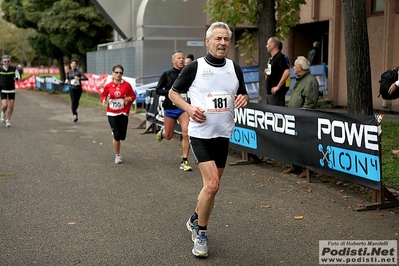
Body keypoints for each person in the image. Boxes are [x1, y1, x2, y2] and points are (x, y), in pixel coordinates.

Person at [169, 21, 249, 258]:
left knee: (211, 189)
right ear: (208, 41)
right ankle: (200, 233)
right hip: (200, 134)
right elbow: (173, 93)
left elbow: (242, 93)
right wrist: (189, 108)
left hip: (223, 135)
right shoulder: (194, 67)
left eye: (226, 39)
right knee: (212, 184)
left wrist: (244, 98)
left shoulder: (235, 68)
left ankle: (195, 218)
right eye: (218, 38)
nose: (222, 42)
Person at [155, 51, 192, 171]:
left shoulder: (188, 72)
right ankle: (163, 133)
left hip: (183, 108)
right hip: (170, 108)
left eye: (183, 58)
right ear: (173, 61)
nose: (181, 60)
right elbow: (158, 90)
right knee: (169, 135)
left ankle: (184, 160)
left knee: (186, 133)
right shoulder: (167, 74)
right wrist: (172, 94)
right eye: (179, 58)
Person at [284, 56, 319, 178]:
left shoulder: (310, 81)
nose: (293, 67)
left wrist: (303, 116)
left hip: (303, 119)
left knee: (304, 144)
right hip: (294, 118)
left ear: (301, 68)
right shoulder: (299, 79)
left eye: (295, 65)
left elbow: (310, 102)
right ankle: (295, 166)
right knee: (294, 143)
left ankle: (307, 168)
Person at [100, 64, 136, 164]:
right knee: (117, 135)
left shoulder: (127, 85)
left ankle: (116, 132)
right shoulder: (108, 86)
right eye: (116, 72)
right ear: (113, 73)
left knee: (122, 136)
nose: (118, 74)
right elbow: (103, 96)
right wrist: (103, 101)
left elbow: (133, 96)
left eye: (120, 73)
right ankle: (118, 156)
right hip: (112, 113)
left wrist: (129, 99)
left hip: (123, 112)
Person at [264, 37, 291, 106]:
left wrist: (278, 87)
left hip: (276, 93)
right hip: (270, 92)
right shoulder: (272, 58)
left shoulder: (280, 57)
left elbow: (287, 71)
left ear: (273, 45)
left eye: (268, 44)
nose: (266, 46)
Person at [0, 55, 20, 127]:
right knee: (5, 105)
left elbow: (18, 76)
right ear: (2, 62)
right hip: (3, 89)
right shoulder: (0, 69)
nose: (7, 63)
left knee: (11, 106)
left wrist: (16, 78)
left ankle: (8, 120)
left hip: (11, 89)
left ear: (10, 62)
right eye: (5, 61)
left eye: (8, 61)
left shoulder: (13, 68)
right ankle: (2, 113)